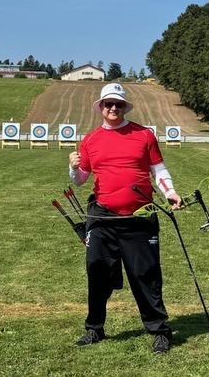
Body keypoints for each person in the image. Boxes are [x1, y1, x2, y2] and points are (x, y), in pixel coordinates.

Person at [68, 83, 183, 354]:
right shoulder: (90, 140)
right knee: (97, 272)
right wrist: (72, 168)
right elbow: (81, 179)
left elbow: (159, 169)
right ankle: (94, 329)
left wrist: (171, 194)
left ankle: (159, 330)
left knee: (145, 275)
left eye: (118, 104)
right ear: (100, 107)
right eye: (108, 103)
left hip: (139, 216)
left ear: (124, 107)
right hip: (102, 217)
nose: (113, 108)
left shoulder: (144, 135)